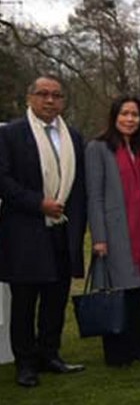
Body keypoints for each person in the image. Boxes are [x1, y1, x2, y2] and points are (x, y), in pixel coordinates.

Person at [0, 76, 87, 388]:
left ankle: (50, 354)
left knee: (55, 298)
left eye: (56, 95)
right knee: (25, 301)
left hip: (61, 232)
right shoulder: (10, 134)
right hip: (26, 229)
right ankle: (25, 363)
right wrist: (39, 204)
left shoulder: (73, 137)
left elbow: (78, 186)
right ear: (30, 98)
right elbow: (4, 180)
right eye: (43, 95)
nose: (50, 101)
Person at [85, 96, 140, 367]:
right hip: (116, 233)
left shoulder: (139, 150)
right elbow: (95, 197)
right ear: (114, 117)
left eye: (135, 115)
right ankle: (118, 353)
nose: (130, 119)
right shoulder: (98, 148)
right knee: (118, 290)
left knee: (137, 291)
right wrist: (99, 238)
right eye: (125, 114)